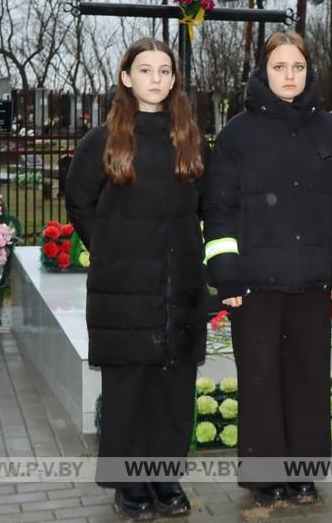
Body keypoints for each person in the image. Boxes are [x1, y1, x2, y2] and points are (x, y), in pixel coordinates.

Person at [202, 30, 332, 508]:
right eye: (279, 67)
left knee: (309, 376)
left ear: (308, 71)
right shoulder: (237, 134)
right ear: (263, 71)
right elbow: (220, 208)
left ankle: (303, 473)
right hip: (253, 284)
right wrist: (226, 274)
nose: (289, 76)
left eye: (297, 67)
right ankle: (266, 474)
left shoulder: (331, 132)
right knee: (260, 377)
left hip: (313, 281)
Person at [65, 37, 207, 519]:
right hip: (123, 288)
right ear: (127, 78)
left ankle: (166, 476)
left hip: (178, 285)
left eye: (164, 71)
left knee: (173, 386)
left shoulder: (188, 138)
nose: (155, 79)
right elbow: (80, 202)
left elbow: (206, 204)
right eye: (145, 70)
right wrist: (110, 248)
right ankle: (129, 484)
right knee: (129, 387)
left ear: (174, 80)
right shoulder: (102, 140)